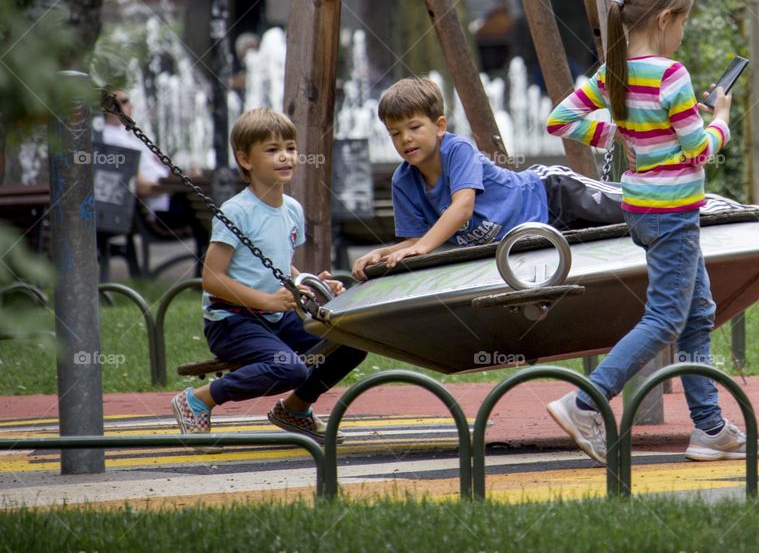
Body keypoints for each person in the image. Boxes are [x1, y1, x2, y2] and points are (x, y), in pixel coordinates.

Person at [543, 0, 759, 465]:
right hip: (673, 214)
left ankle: (709, 427)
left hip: (642, 210)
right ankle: (585, 402)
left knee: (697, 314)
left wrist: (613, 135)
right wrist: (724, 118)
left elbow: (559, 120)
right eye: (683, 22)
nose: (683, 32)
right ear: (666, 18)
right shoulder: (672, 75)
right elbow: (697, 152)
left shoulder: (614, 73)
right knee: (667, 317)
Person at [172, 108, 367, 448]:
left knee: (351, 343)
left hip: (276, 317)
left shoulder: (291, 208)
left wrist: (308, 284)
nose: (285, 156)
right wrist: (266, 301)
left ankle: (295, 409)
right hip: (232, 321)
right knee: (289, 369)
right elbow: (212, 279)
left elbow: (280, 265)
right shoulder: (236, 211)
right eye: (272, 149)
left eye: (290, 148)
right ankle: (200, 399)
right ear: (245, 160)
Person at [351, 77, 624, 280]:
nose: (405, 138)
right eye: (395, 133)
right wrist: (383, 254)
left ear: (440, 127)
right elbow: (415, 243)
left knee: (633, 207)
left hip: (554, 195)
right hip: (533, 235)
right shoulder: (404, 181)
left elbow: (462, 208)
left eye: (414, 127)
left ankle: (665, 192)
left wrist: (421, 247)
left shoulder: (456, 150)